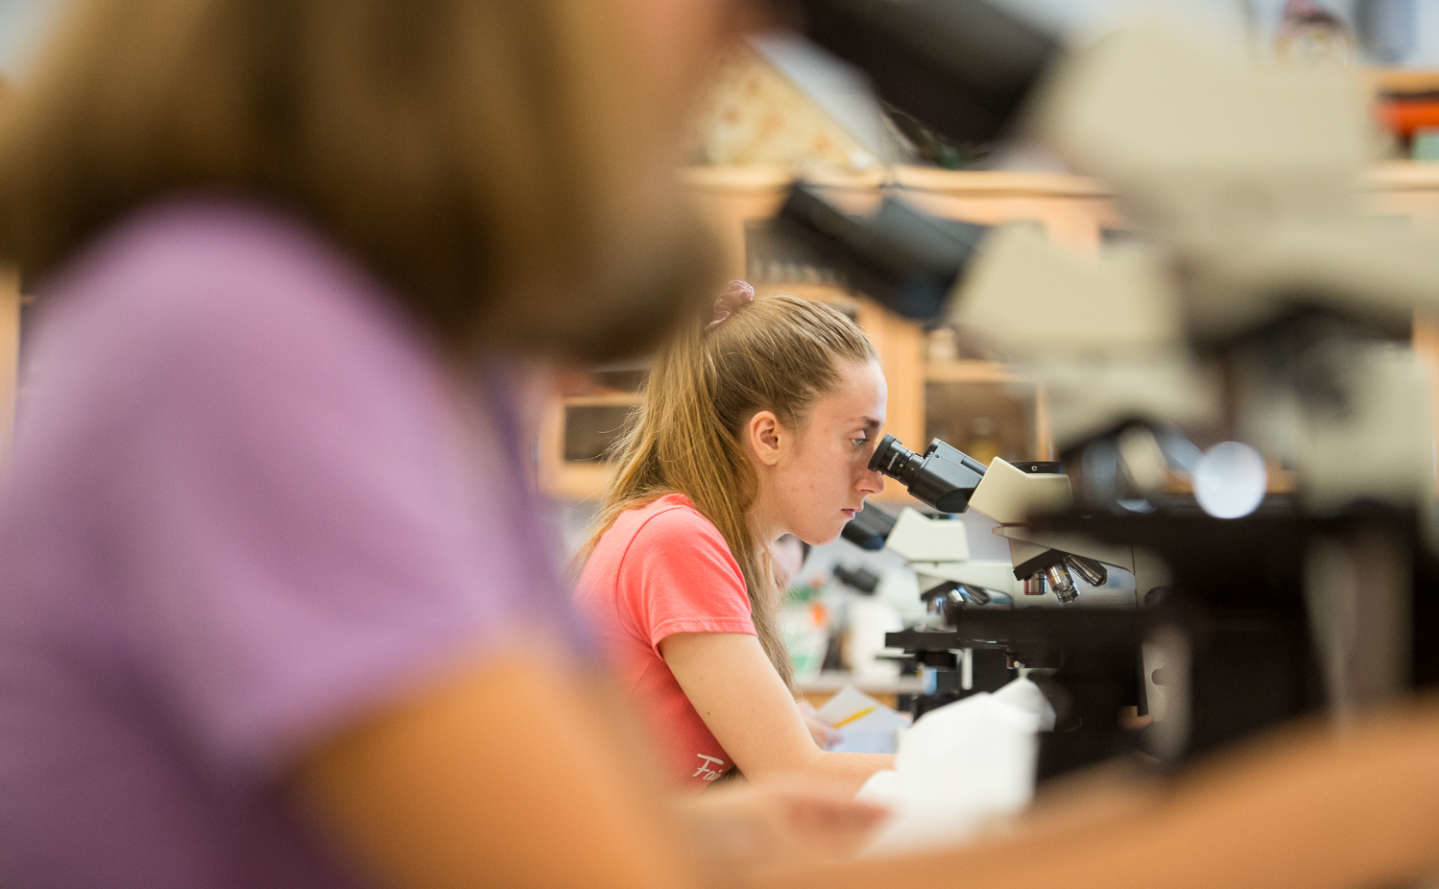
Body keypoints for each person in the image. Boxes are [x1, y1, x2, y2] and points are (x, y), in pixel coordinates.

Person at [3, 2, 1439, 889]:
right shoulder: (237, 329)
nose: (736, 52)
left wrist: (728, 841)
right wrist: (1375, 797)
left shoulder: (413, 369)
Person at [575, 283, 893, 791]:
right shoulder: (677, 540)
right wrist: (1004, 780)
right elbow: (793, 776)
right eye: (858, 440)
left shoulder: (727, 549)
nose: (875, 478)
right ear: (770, 437)